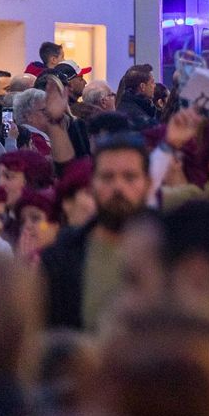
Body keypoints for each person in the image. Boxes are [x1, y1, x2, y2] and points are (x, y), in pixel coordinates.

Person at [39, 133, 153, 330]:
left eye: (130, 177)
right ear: (93, 184)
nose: (118, 187)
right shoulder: (61, 257)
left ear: (148, 184)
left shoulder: (173, 251)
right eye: (108, 177)